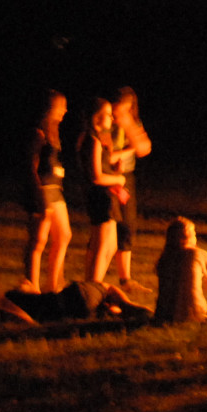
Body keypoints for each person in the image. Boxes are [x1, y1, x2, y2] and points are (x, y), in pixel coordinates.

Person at [23, 90, 71, 294]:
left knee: (64, 235)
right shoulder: (38, 133)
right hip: (43, 190)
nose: (65, 111)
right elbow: (30, 166)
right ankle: (31, 284)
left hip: (56, 190)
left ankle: (54, 284)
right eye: (62, 106)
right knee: (39, 240)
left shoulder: (54, 131)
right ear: (50, 108)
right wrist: (37, 196)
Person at [77, 99, 127, 286]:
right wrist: (119, 179)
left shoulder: (93, 138)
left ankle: (91, 285)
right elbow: (96, 177)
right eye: (108, 114)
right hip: (101, 197)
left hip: (103, 196)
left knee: (111, 244)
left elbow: (100, 168)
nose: (112, 118)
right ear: (97, 117)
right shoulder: (93, 141)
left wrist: (115, 169)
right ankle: (93, 287)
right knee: (102, 245)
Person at [110, 87, 153, 295]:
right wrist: (129, 149)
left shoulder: (131, 123)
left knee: (128, 226)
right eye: (118, 111)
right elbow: (108, 155)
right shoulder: (104, 122)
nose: (120, 116)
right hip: (107, 178)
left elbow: (144, 148)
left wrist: (128, 125)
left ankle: (125, 278)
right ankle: (95, 279)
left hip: (126, 176)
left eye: (125, 111)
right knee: (108, 227)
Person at [154, 216, 207, 324]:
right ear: (189, 237)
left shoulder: (164, 258)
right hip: (194, 315)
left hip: (164, 315)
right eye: (194, 233)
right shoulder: (200, 254)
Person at [0, 279, 149, 326]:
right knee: (107, 288)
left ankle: (126, 308)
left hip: (78, 306)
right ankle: (128, 306)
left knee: (106, 297)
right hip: (79, 295)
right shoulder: (16, 297)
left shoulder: (34, 303)